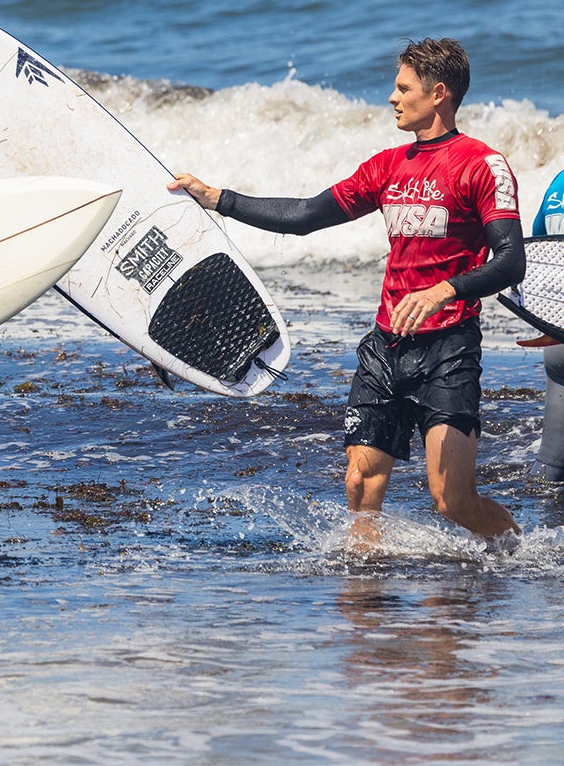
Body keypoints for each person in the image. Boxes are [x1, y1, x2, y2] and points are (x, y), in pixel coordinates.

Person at [168, 37, 524, 544]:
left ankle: (521, 557)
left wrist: (445, 289)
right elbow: (306, 216)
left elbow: (512, 261)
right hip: (386, 346)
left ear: (439, 93)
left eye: (403, 88)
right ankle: (366, 590)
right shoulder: (386, 167)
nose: (392, 97)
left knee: (451, 501)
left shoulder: (481, 165)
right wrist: (218, 199)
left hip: (448, 348)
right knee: (360, 483)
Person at [526, 165, 564, 481]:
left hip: (557, 328)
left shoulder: (558, 184)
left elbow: (540, 247)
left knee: (552, 460)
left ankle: (539, 527)